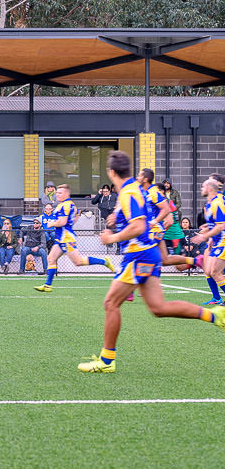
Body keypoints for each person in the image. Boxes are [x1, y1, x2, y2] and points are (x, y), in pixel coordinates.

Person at [78, 150, 225, 374]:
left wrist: (113, 237)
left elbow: (138, 225)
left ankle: (107, 361)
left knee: (110, 304)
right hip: (148, 254)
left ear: (110, 172)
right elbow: (139, 217)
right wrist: (117, 218)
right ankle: (214, 315)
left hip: (138, 255)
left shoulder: (129, 192)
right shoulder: (136, 190)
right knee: (159, 308)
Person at [34, 183, 115, 291]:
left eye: (60, 193)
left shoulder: (65, 205)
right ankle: (47, 285)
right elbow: (76, 215)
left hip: (66, 238)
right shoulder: (66, 204)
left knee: (78, 262)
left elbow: (62, 222)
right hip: (60, 237)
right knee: (51, 258)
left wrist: (52, 223)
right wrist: (69, 222)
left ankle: (105, 262)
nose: (57, 194)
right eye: (57, 192)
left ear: (66, 194)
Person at [190, 174, 225, 305]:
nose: (201, 188)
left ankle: (217, 297)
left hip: (222, 241)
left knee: (215, 272)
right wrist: (208, 235)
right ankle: (217, 297)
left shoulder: (218, 202)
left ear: (211, 187)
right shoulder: (209, 204)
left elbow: (221, 225)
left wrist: (205, 236)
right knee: (210, 271)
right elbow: (215, 224)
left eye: (203, 186)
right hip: (216, 241)